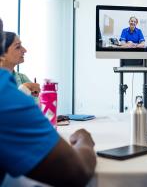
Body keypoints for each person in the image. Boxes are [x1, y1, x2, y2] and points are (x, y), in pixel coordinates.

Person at [0, 18, 97, 186]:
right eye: (17, 46)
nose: (25, 50)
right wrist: (84, 139)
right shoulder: (5, 95)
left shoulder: (19, 80)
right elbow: (77, 172)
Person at [0, 31, 40, 98]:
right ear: (2, 53)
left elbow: (36, 106)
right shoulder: (26, 85)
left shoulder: (23, 78)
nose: (24, 50)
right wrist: (24, 89)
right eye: (18, 47)